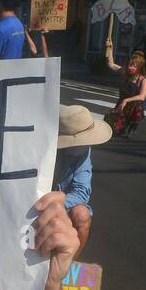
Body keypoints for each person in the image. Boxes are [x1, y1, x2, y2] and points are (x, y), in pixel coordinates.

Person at [53, 104, 109, 252]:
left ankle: (69, 263)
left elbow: (81, 192)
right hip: (36, 196)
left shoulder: (83, 153)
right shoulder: (44, 148)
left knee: (82, 216)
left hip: (57, 200)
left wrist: (55, 202)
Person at [103, 40, 146, 136]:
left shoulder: (143, 80)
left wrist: (126, 100)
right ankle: (123, 125)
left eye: (134, 66)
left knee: (138, 112)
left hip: (133, 106)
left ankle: (134, 124)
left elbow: (142, 96)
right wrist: (110, 48)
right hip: (121, 105)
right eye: (130, 65)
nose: (130, 67)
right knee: (113, 129)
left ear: (139, 67)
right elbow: (111, 64)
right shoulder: (124, 73)